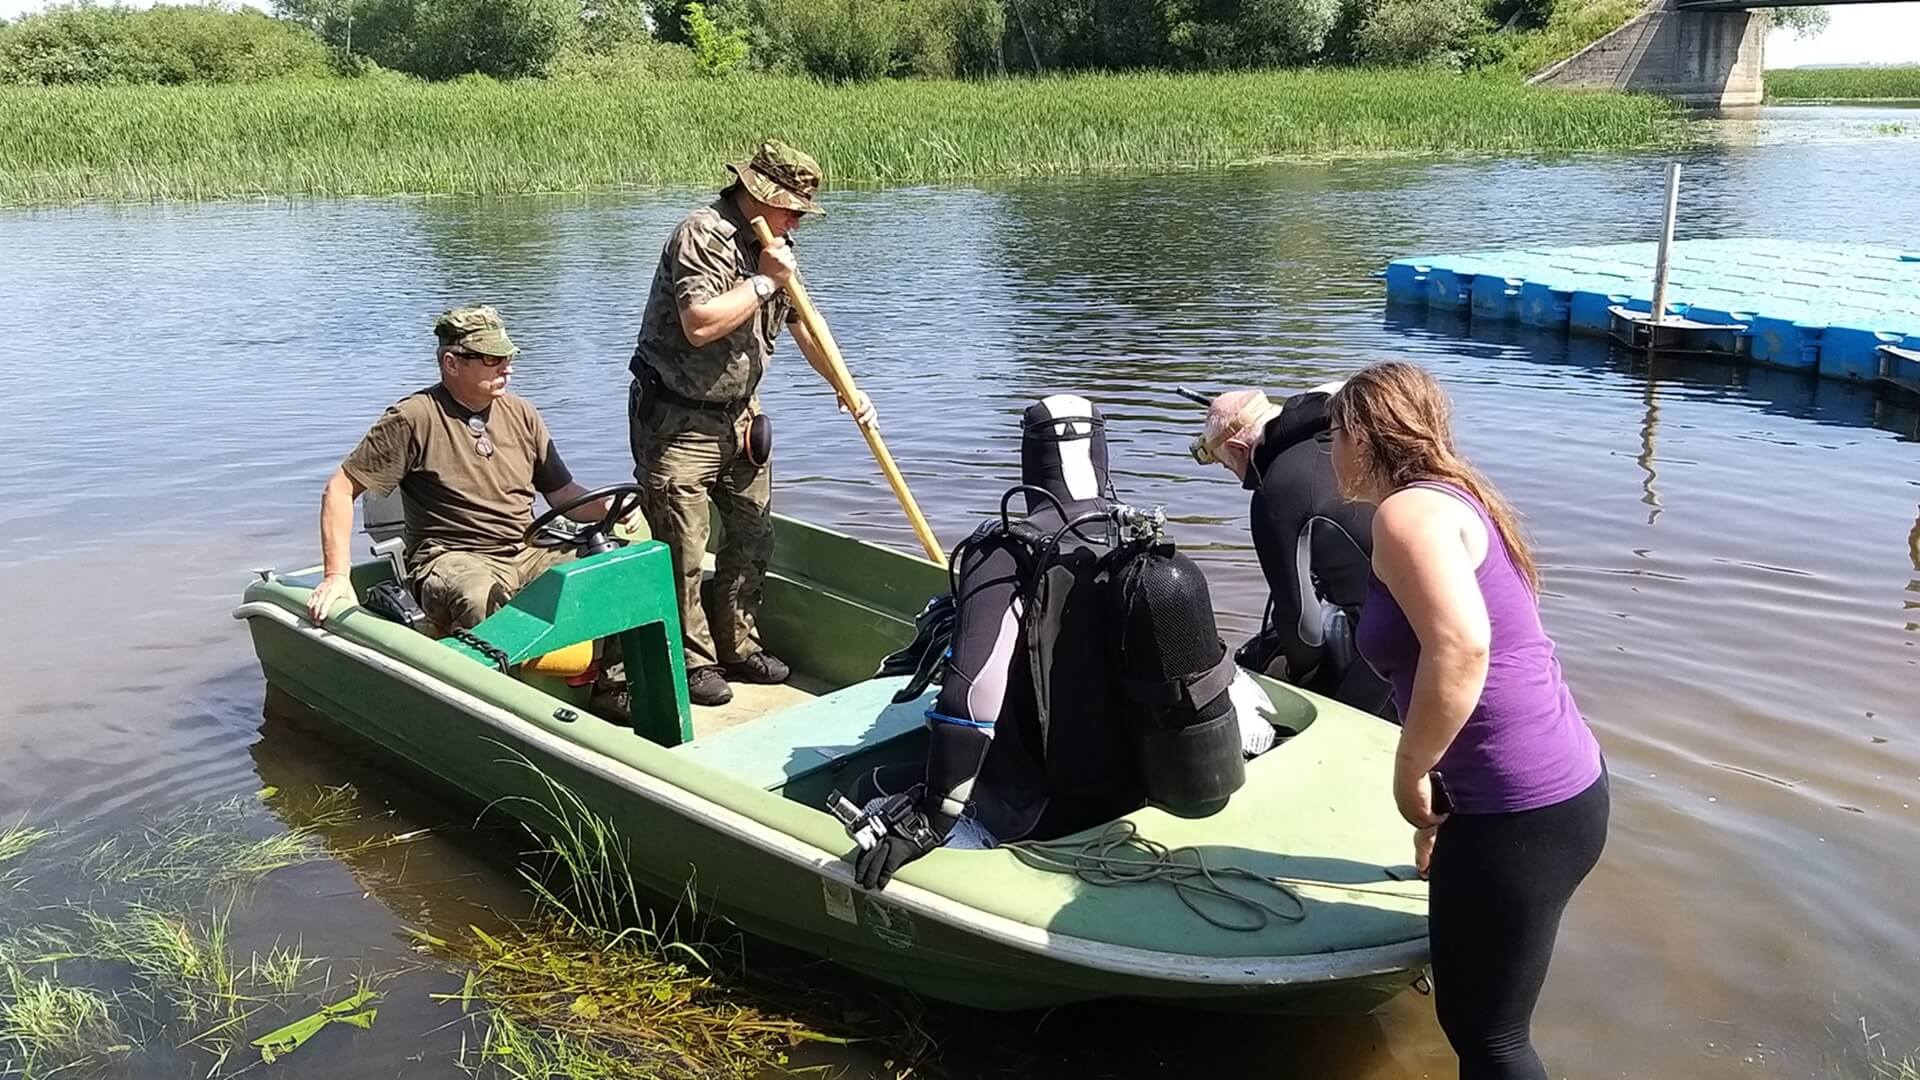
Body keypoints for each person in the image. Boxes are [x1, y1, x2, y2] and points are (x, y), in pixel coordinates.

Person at [1328, 361, 1608, 1080]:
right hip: (1556, 791)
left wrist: (1408, 775)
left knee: (1490, 1038)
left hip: (1523, 812)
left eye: (1334, 432)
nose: (1330, 450)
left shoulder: (1406, 514)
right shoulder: (1454, 497)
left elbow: (1462, 647)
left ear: (1361, 436)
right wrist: (1437, 818)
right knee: (1482, 1023)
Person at [628, 138, 874, 708]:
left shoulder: (777, 246)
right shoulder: (702, 234)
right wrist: (763, 280)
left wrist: (848, 388)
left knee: (754, 533)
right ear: (758, 195)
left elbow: (805, 324)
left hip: (741, 420)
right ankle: (691, 662)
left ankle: (738, 644)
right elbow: (698, 323)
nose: (796, 222)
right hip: (677, 421)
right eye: (791, 209)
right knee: (683, 548)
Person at [307, 305, 618, 635]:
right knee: (479, 596)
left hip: (525, 550)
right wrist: (337, 576)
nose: (506, 369)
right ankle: (496, 681)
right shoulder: (414, 417)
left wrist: (608, 506)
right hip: (452, 558)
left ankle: (611, 678)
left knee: (612, 571)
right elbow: (340, 490)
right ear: (451, 363)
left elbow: (563, 492)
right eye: (491, 359)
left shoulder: (522, 413)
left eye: (508, 357)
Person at [1193, 384, 1390, 715]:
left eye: (1231, 468)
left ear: (1241, 449)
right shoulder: (1342, 436)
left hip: (1386, 646)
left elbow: (1303, 625)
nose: (1243, 481)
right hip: (1432, 614)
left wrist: (1294, 670)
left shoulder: (1277, 490)